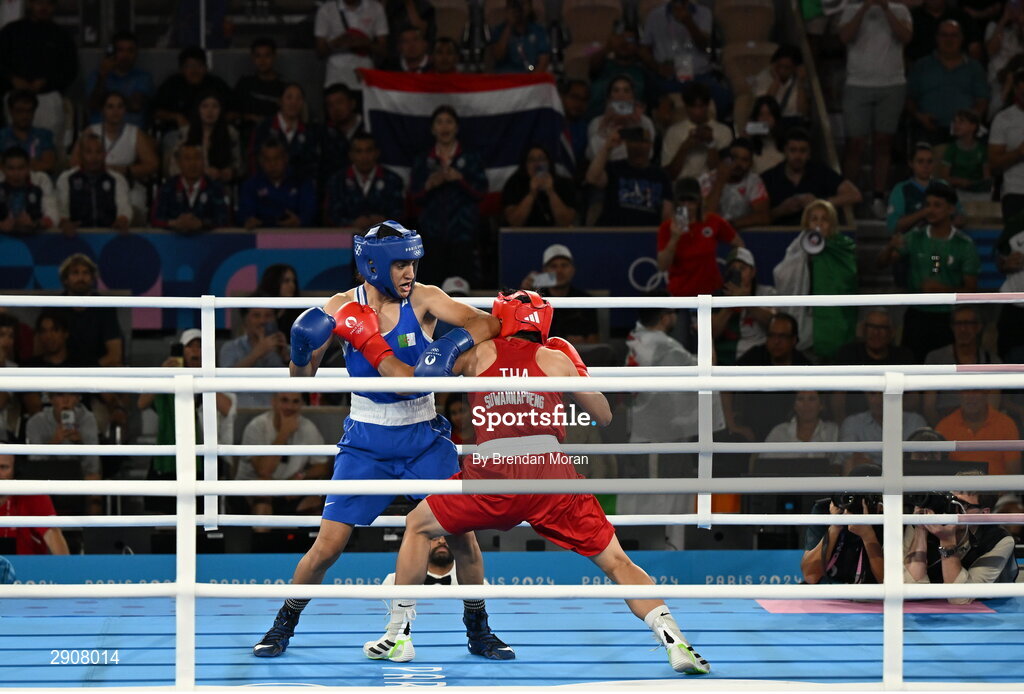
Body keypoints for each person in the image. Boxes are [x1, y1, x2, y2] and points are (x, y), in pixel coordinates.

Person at [364, 289, 711, 675]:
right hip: (551, 473)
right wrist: (575, 371)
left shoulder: (478, 354)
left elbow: (421, 377)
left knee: (417, 524)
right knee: (616, 561)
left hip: (494, 474)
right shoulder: (556, 358)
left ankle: (399, 634)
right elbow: (605, 415)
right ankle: (675, 640)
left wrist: (452, 341)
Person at [252, 221, 507, 660]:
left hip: (423, 436)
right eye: (401, 264)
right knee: (327, 546)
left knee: (462, 536)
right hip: (365, 441)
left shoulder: (425, 298)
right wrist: (298, 350)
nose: (410, 272)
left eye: (413, 263)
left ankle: (479, 629)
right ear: (373, 265)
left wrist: (446, 349)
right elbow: (302, 377)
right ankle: (283, 625)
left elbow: (487, 323)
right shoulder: (340, 306)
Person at [621, 302, 726, 547]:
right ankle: (664, 564)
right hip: (658, 441)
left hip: (646, 437)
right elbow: (707, 366)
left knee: (652, 502)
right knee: (664, 504)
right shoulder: (662, 345)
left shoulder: (636, 340)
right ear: (666, 316)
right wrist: (704, 332)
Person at [877, 182, 979, 362]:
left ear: (950, 209)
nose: (930, 211)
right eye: (928, 205)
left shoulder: (964, 245)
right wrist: (889, 247)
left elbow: (971, 291)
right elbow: (880, 264)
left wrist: (943, 290)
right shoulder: (914, 237)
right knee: (912, 373)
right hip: (917, 315)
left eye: (937, 205)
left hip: (948, 318)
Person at [838, 0, 912, 219]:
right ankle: (847, 197)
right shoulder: (850, 9)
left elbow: (906, 37)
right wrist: (863, 8)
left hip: (891, 84)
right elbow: (844, 37)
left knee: (883, 143)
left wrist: (886, 9)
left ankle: (878, 197)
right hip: (858, 84)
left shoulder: (901, 10)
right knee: (855, 144)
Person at [904, 473, 1018, 602]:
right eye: (951, 500)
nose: (954, 509)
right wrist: (921, 530)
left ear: (984, 513)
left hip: (989, 612)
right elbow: (910, 591)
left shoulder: (998, 540)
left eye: (962, 504)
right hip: (930, 609)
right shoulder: (926, 522)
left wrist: (947, 542)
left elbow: (960, 599)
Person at [408, 105, 488, 286]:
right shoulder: (423, 159)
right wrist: (429, 185)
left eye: (449, 122)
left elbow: (481, 192)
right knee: (431, 289)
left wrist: (460, 179)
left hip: (463, 236)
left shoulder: (471, 158)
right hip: (431, 236)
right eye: (440, 122)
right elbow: (414, 197)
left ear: (457, 127)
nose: (445, 127)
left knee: (463, 289)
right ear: (433, 128)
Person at [772, 199, 858, 361]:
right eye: (814, 219)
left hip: (834, 320)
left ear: (832, 223)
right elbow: (781, 274)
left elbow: (847, 279)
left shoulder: (843, 247)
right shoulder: (798, 246)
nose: (819, 224)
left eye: (824, 219)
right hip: (806, 319)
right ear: (807, 223)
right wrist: (804, 260)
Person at [235, 392, 330, 517]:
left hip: (289, 490)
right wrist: (284, 433)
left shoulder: (308, 427)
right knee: (263, 500)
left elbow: (322, 467)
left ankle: (305, 537)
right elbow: (264, 471)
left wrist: (301, 476)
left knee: (315, 501)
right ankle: (259, 537)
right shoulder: (257, 426)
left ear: (302, 404)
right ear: (273, 402)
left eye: (295, 401)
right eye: (284, 400)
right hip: (254, 492)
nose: (290, 407)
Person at [72, 91, 160, 221]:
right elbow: (74, 163)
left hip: (128, 184)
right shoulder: (91, 131)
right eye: (110, 107)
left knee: (135, 205)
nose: (115, 111)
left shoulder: (134, 133)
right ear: (103, 110)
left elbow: (153, 164)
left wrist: (124, 170)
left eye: (120, 106)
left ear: (125, 110)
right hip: (94, 185)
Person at [731, 313, 814, 444]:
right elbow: (724, 384)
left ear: (794, 340)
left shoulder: (804, 366)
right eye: (772, 336)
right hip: (752, 432)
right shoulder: (755, 356)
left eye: (782, 337)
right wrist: (732, 425)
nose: (776, 342)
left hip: (790, 435)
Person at [640, 0, 729, 117]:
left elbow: (704, 45)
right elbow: (644, 48)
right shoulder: (655, 15)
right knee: (647, 94)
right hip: (668, 78)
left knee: (724, 98)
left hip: (698, 76)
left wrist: (688, 22)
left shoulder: (704, 13)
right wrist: (657, 67)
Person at [0, 0, 77, 136]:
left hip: (47, 98)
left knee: (48, 142)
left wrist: (46, 82)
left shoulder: (61, 36)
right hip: (15, 97)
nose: (43, 7)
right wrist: (12, 79)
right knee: (13, 145)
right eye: (38, 2)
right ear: (30, 4)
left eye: (48, 3)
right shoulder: (11, 31)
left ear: (54, 6)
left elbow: (70, 70)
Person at [906, 20, 989, 146]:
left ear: (961, 38)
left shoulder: (974, 67)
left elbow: (982, 101)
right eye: (944, 35)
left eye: (954, 35)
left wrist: (969, 123)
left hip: (964, 133)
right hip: (928, 129)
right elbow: (909, 99)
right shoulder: (922, 66)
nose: (949, 40)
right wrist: (919, 116)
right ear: (937, 38)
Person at [658, 177, 744, 298]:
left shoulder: (713, 221)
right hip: (680, 295)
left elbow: (739, 245)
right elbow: (662, 266)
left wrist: (735, 270)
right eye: (682, 200)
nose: (686, 205)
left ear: (699, 201)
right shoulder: (667, 227)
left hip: (711, 293)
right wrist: (674, 238)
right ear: (676, 202)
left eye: (691, 200)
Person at [801, 463, 884, 585]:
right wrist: (835, 527)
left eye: (868, 497)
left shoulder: (890, 515)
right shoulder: (825, 510)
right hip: (825, 594)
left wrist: (868, 536)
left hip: (869, 597)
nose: (861, 502)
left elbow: (887, 581)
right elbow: (811, 576)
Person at [761, 129, 862, 226]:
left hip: (816, 232)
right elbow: (757, 215)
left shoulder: (820, 172)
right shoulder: (770, 177)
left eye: (803, 151)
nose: (798, 156)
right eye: (793, 150)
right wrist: (782, 209)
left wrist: (819, 203)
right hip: (779, 233)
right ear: (785, 151)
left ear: (809, 153)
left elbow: (855, 195)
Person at [922, 306, 1001, 425]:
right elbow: (928, 407)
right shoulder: (935, 358)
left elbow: (993, 407)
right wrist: (944, 430)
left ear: (978, 327)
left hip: (981, 428)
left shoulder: (992, 361)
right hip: (943, 426)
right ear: (952, 327)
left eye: (968, 323)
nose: (963, 329)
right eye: (958, 324)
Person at [588, 126, 672, 227]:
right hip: (614, 232)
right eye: (634, 141)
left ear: (651, 145)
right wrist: (607, 147)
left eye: (643, 141)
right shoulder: (614, 168)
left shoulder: (661, 176)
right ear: (626, 143)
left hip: (647, 234)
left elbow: (667, 213)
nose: (639, 146)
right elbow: (592, 178)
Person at [520, 244, 600, 345]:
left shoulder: (586, 301)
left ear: (573, 270)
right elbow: (522, 340)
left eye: (564, 265)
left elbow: (594, 345)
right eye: (553, 266)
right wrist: (523, 296)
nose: (559, 271)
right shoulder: (534, 300)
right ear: (545, 271)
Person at [56, 253, 124, 370]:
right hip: (61, 374)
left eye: (85, 273)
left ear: (93, 278)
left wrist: (84, 373)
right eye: (75, 273)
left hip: (98, 373)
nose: (81, 278)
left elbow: (115, 355)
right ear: (65, 279)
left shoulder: (105, 307)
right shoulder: (53, 307)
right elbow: (41, 354)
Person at [55, 133, 131, 236]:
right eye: (88, 152)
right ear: (81, 155)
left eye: (98, 152)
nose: (94, 157)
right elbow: (62, 211)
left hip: (110, 235)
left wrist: (122, 219)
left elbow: (124, 208)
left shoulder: (117, 179)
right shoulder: (66, 179)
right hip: (76, 236)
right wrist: (64, 223)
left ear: (105, 154)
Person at [711, 246, 775, 367]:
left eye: (742, 268)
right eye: (732, 269)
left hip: (758, 359)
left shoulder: (767, 293)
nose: (737, 273)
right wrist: (731, 304)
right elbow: (711, 333)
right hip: (725, 361)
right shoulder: (717, 296)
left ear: (753, 272)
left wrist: (746, 300)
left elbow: (773, 324)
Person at [325, 132, 404, 228]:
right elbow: (332, 215)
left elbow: (400, 213)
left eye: (369, 151)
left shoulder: (392, 180)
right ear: (351, 155)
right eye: (358, 151)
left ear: (377, 153)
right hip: (346, 239)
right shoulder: (337, 181)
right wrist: (352, 224)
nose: (364, 157)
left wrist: (385, 222)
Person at [247, 83, 322, 183]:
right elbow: (254, 159)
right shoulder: (264, 127)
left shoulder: (309, 132)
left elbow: (312, 165)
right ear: (280, 101)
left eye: (298, 99)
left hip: (298, 189)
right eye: (289, 97)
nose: (293, 103)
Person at [661, 82, 733, 184]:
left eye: (701, 106)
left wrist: (711, 143)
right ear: (686, 106)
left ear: (708, 105)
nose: (697, 112)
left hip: (712, 189)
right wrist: (685, 147)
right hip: (681, 189)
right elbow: (668, 175)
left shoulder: (724, 131)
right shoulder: (673, 132)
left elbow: (723, 174)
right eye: (693, 107)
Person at [886, 143, 965, 236]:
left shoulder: (943, 185)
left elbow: (960, 216)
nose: (925, 166)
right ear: (911, 164)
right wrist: (923, 213)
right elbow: (893, 227)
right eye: (920, 161)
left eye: (929, 161)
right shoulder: (901, 189)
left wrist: (942, 228)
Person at [935, 391, 1021, 475]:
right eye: (966, 391)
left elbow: (1013, 472)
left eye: (976, 391)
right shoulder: (944, 426)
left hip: (996, 487)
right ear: (959, 394)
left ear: (986, 394)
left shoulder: (1006, 424)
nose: (970, 397)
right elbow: (938, 471)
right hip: (957, 487)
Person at [151, 142, 232, 232]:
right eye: (187, 159)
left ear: (204, 161)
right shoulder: (168, 188)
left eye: (197, 158)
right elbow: (156, 220)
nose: (193, 163)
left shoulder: (215, 188)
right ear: (179, 163)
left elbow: (224, 220)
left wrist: (201, 224)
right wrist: (175, 223)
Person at [238, 138, 317, 229]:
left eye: (277, 159)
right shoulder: (251, 186)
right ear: (260, 161)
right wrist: (248, 221)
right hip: (261, 238)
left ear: (286, 158)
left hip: (296, 237)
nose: (272, 164)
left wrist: (301, 221)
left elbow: (310, 213)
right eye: (267, 160)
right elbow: (244, 215)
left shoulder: (302, 182)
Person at [153, 46, 235, 133]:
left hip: (213, 132)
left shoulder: (216, 84)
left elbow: (234, 112)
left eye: (199, 65)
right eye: (189, 66)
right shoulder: (172, 84)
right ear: (181, 69)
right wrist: (176, 117)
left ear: (206, 68)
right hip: (179, 132)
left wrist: (217, 121)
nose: (194, 70)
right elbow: (155, 112)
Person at [219, 305, 288, 409]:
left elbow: (303, 387)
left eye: (268, 315)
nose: (262, 321)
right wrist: (256, 353)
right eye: (256, 315)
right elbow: (224, 384)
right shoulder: (230, 348)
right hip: (242, 413)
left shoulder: (285, 349)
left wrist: (286, 358)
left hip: (280, 415)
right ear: (245, 320)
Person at [165, 92, 242, 184]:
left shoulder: (231, 133)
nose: (210, 111)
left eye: (215, 106)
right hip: (190, 184)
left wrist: (231, 171)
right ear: (198, 109)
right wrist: (202, 172)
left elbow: (239, 165)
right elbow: (174, 168)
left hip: (220, 186)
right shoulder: (186, 133)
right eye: (205, 106)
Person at [25, 392, 101, 485]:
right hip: (48, 476)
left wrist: (80, 444)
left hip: (79, 476)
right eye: (60, 395)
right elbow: (34, 466)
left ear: (78, 398)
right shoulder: (36, 422)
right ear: (50, 399)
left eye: (72, 395)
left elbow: (93, 467)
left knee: (94, 479)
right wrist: (53, 443)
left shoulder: (87, 419)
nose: (66, 400)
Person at [0, 454, 69, 554]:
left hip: (27, 567)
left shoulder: (34, 496)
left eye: (3, 467)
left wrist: (67, 567)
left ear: (16, 470)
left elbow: (52, 534)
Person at [839, 393, 927, 470]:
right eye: (873, 394)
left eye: (883, 394)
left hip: (906, 478)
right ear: (866, 396)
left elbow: (921, 460)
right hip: (868, 478)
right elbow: (848, 456)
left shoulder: (915, 421)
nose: (878, 400)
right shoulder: (853, 422)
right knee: (851, 462)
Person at [313, 0, 389, 89]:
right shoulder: (326, 9)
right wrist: (336, 43)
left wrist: (366, 43)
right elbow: (319, 52)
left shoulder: (375, 8)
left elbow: (384, 50)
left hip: (365, 75)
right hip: (336, 77)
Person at [84, 31, 153, 129]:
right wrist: (102, 77)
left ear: (136, 53)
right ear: (112, 52)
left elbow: (136, 105)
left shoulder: (143, 77)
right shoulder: (96, 76)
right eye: (121, 50)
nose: (126, 55)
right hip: (99, 133)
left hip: (132, 133)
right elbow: (93, 104)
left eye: (130, 51)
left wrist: (108, 103)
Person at [698, 138, 771, 229]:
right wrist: (720, 182)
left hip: (740, 233)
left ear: (750, 164)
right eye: (734, 158)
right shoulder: (706, 180)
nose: (738, 164)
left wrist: (730, 225)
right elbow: (705, 216)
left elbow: (764, 217)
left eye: (744, 160)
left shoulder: (753, 180)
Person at [585, 75, 656, 164]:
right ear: (609, 98)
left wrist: (635, 126)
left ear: (633, 97)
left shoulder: (644, 122)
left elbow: (648, 155)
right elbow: (592, 155)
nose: (621, 95)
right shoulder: (596, 122)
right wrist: (606, 123)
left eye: (626, 91)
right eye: (616, 90)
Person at [501, 145, 576, 227]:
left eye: (542, 159)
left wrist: (551, 192)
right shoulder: (514, 184)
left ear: (549, 163)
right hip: (523, 236)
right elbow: (514, 223)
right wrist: (531, 194)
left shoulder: (564, 184)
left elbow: (565, 223)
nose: (537, 164)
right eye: (532, 160)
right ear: (525, 165)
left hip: (556, 237)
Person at [989, 69, 1024, 222]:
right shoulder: (1003, 119)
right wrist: (1018, 152)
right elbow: (994, 165)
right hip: (1016, 192)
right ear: (1016, 90)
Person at [234, 37, 287, 133]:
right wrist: (249, 117)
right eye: (258, 56)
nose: (262, 60)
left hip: (276, 135)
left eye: (267, 56)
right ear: (252, 58)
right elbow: (230, 113)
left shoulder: (284, 86)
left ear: (274, 57)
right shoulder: (245, 83)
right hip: (247, 134)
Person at [761, 390, 839, 457]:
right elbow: (763, 465)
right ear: (794, 405)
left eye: (812, 399)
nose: (806, 405)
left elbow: (837, 464)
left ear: (821, 405)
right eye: (800, 399)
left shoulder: (831, 430)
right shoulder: (779, 431)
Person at [938, 110, 991, 201]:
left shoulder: (982, 150)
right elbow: (944, 177)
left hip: (979, 193)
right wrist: (959, 181)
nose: (956, 125)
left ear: (973, 126)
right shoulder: (952, 149)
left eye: (961, 122)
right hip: (957, 192)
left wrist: (974, 184)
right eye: (954, 122)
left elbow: (987, 177)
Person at [0, 146, 55, 231]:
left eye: (21, 168)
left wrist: (35, 224)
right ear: (3, 169)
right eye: (11, 168)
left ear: (28, 168)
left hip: (35, 239)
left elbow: (53, 216)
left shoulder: (40, 180)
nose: (16, 173)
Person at [320, 83, 366, 185]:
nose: (336, 108)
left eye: (340, 102)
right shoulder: (323, 134)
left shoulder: (368, 128)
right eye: (330, 105)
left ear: (352, 103)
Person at [0, 91, 55, 174]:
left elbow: (48, 165)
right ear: (11, 111)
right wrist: (33, 164)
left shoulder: (44, 135)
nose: (24, 116)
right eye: (19, 111)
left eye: (29, 111)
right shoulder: (2, 136)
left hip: (38, 182)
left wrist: (13, 167)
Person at [751, 45, 809, 124]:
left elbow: (802, 113)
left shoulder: (798, 80)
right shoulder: (763, 77)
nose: (782, 71)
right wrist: (776, 81)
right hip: (767, 123)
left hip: (790, 123)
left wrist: (801, 83)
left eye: (787, 68)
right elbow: (764, 107)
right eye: (779, 66)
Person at [488, 0, 550, 73]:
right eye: (515, 5)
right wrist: (509, 25)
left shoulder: (538, 31)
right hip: (505, 78)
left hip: (531, 78)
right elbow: (498, 56)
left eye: (523, 4)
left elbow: (543, 61)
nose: (519, 8)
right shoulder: (499, 30)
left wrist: (531, 81)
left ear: (530, 7)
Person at [383, 537, 456, 584]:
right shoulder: (394, 581)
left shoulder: (467, 581)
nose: (442, 541)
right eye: (435, 536)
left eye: (448, 536)